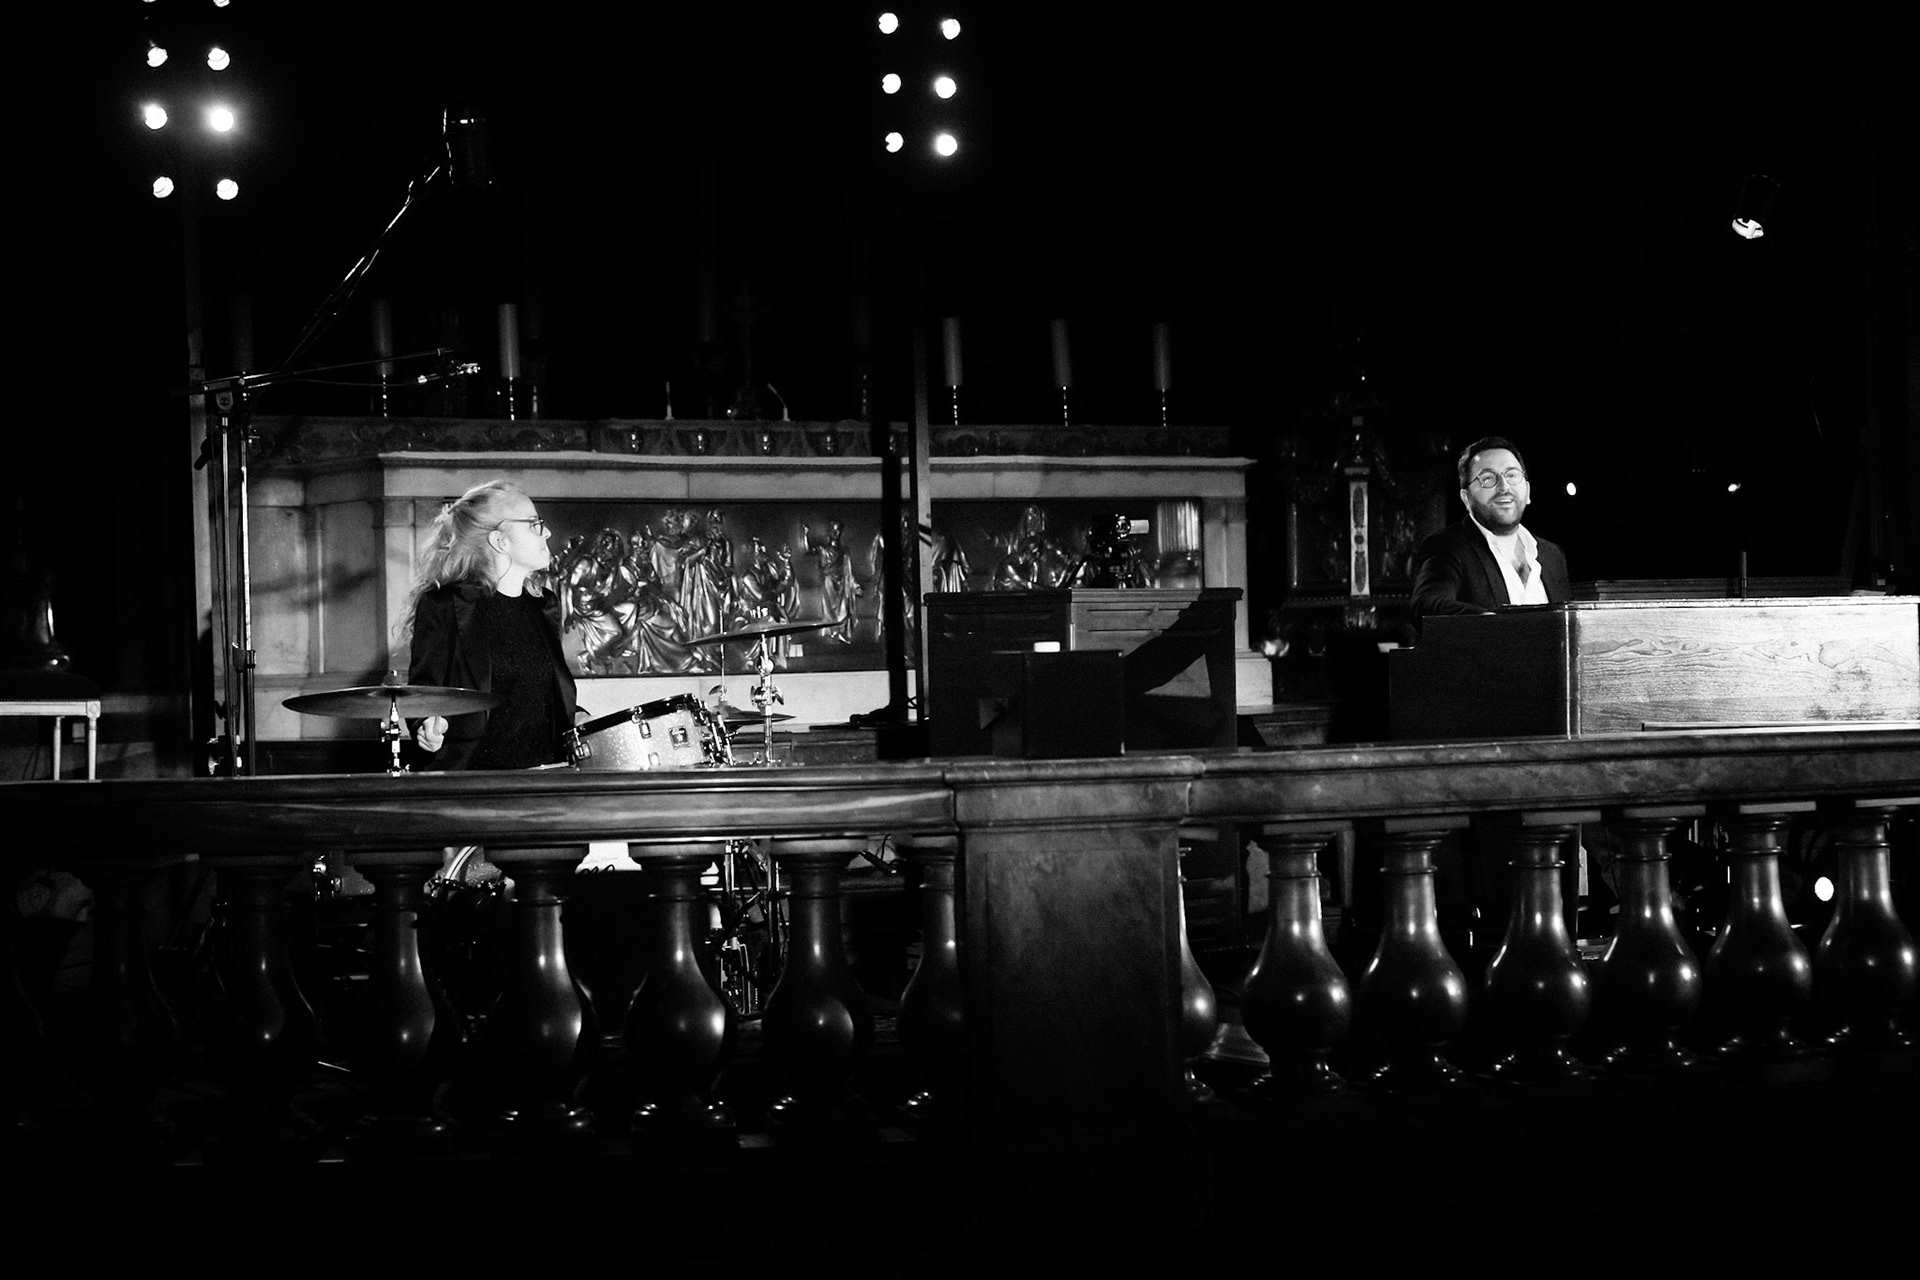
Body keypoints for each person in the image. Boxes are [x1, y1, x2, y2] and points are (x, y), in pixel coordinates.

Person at [402, 479, 579, 769]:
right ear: (500, 541)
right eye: (534, 524)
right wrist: (426, 727)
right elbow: (423, 692)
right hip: (473, 781)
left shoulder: (544, 604)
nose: (547, 532)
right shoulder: (442, 605)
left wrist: (580, 717)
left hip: (546, 775)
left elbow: (540, 697)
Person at [1410, 435, 1571, 621]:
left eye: (1511, 475)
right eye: (1487, 479)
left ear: (1527, 491)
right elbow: (1426, 605)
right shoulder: (1447, 547)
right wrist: (1492, 624)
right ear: (1466, 498)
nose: (1503, 487)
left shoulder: (1552, 555)